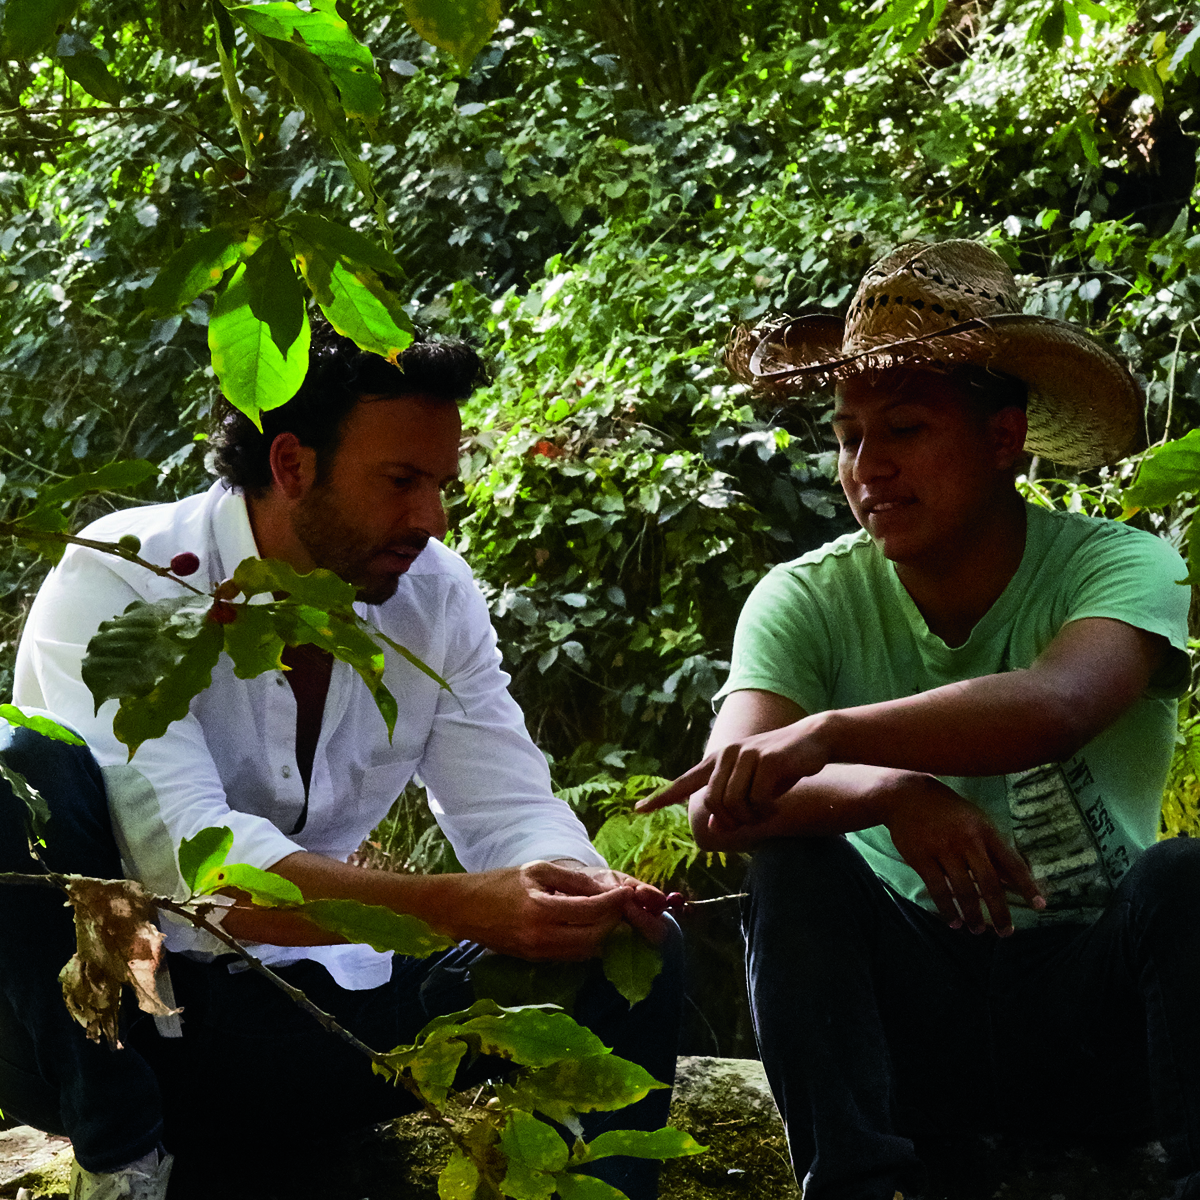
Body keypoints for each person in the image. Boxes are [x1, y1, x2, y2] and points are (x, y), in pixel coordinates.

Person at [0, 327, 681, 1200]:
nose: (431, 521)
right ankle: (121, 1158)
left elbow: (507, 805)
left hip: (325, 1024)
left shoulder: (432, 592)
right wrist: (457, 909)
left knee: (636, 948)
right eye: (401, 482)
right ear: (291, 464)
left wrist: (587, 895)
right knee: (17, 770)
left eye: (440, 485)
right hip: (133, 1037)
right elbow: (203, 874)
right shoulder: (127, 578)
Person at [640, 240, 1199, 1200]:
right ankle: (854, 1182)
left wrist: (833, 737)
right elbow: (722, 803)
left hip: (1096, 1018)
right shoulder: (803, 597)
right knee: (799, 863)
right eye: (850, 435)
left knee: (1184, 878)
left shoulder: (1121, 566)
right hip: (917, 1030)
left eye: (905, 427)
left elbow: (1057, 706)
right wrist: (892, 793)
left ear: (1003, 438)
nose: (871, 466)